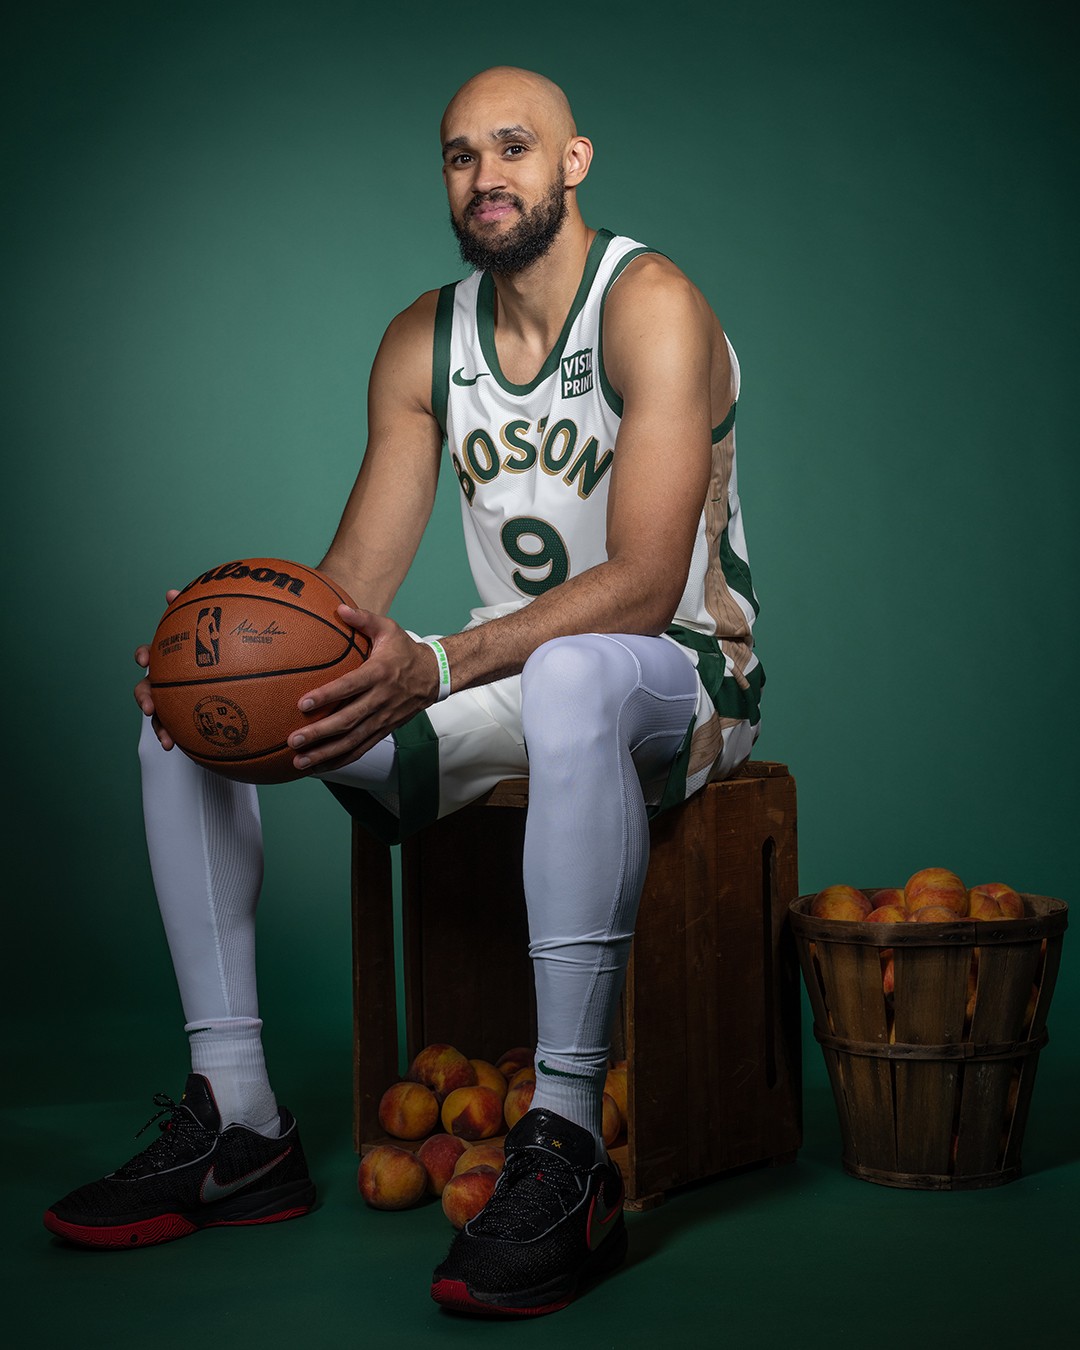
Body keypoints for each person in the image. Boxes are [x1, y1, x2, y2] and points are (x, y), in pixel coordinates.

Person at [44, 66, 763, 1315]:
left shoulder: (650, 303)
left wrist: (436, 663)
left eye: (514, 147)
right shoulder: (422, 342)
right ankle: (241, 1123)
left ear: (574, 162)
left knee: (578, 669)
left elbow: (648, 584)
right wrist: (219, 645)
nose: (486, 176)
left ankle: (568, 1147)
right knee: (189, 725)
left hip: (681, 672)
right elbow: (345, 598)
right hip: (501, 670)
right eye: (460, 155)